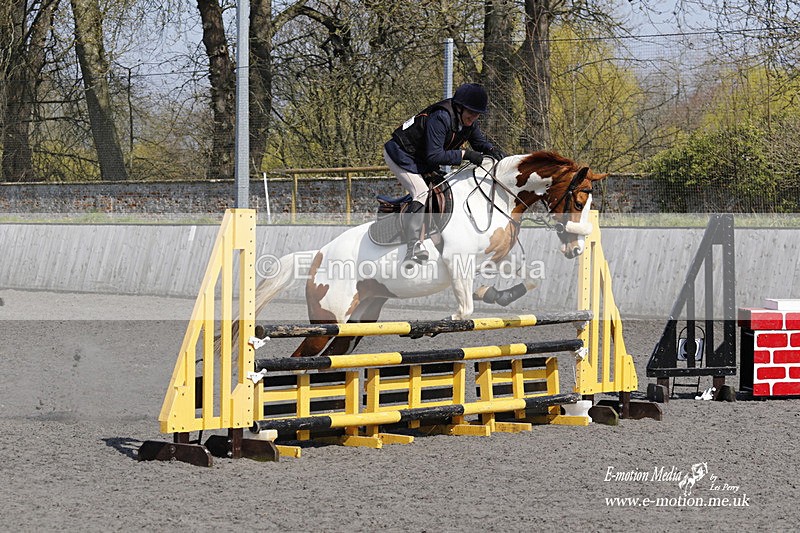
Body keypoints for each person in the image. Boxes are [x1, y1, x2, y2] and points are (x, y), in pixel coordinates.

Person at [384, 83, 506, 266]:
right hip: (401, 155)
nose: (473, 117)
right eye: (471, 113)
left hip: (421, 159)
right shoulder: (440, 117)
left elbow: (479, 142)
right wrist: (465, 154)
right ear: (459, 107)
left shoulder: (468, 121)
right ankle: (413, 247)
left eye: (477, 114)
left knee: (443, 191)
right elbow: (434, 156)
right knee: (422, 193)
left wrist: (493, 150)